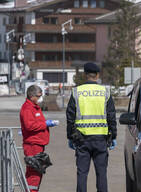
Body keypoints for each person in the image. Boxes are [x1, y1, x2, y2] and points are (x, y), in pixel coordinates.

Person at [66, 62, 117, 192]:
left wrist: (70, 137)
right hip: (101, 139)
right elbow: (111, 116)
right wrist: (114, 136)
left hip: (81, 139)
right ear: (97, 75)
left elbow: (70, 116)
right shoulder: (105, 91)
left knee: (82, 173)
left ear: (85, 75)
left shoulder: (77, 92)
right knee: (101, 173)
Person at [20, 85, 58, 192]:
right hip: (32, 145)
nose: (40, 98)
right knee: (34, 174)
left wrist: (45, 123)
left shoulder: (34, 107)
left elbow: (34, 123)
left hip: (38, 144)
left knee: (37, 172)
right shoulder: (28, 108)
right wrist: (45, 124)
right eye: (38, 96)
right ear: (31, 96)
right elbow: (30, 125)